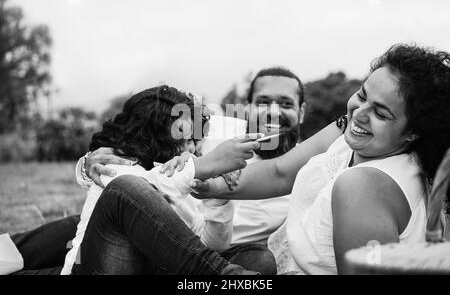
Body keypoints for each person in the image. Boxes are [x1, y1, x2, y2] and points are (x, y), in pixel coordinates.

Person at [163, 43, 450, 274]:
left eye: (381, 113)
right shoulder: (349, 132)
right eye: (362, 96)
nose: (359, 114)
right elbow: (280, 173)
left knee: (128, 194)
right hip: (268, 262)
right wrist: (212, 184)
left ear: (413, 132)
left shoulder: (363, 187)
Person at [81, 67, 306, 274]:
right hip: (136, 229)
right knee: (106, 207)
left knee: (260, 260)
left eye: (286, 104)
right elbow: (137, 145)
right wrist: (86, 164)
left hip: (200, 248)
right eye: (263, 102)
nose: (273, 112)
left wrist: (218, 197)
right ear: (247, 107)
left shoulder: (308, 169)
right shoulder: (216, 128)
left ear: (302, 112)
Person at [66, 85, 262, 275]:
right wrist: (204, 167)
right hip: (93, 268)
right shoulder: (114, 162)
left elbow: (208, 245)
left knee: (259, 259)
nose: (192, 149)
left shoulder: (179, 176)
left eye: (193, 140)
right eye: (182, 140)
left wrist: (219, 199)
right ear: (153, 137)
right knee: (127, 188)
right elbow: (140, 189)